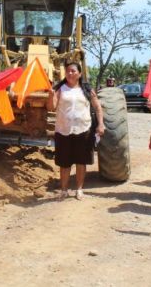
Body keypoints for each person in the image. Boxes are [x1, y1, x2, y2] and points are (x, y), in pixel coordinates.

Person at [48, 61, 105, 200]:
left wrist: (101, 124)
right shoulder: (59, 89)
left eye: (73, 71)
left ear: (79, 74)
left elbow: (97, 108)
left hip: (83, 130)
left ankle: (79, 189)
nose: (70, 73)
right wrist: (50, 95)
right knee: (64, 163)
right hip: (63, 130)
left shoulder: (87, 90)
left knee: (81, 162)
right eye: (68, 71)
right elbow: (51, 107)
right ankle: (64, 190)